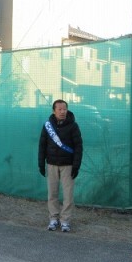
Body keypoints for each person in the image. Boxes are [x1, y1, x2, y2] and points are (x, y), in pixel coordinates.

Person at [38, 99, 83, 233]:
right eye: (60, 109)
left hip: (68, 165)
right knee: (52, 193)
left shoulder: (73, 126)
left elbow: (78, 146)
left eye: (65, 109)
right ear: (54, 111)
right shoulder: (48, 126)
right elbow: (42, 145)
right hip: (51, 164)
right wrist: (41, 163)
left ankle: (65, 220)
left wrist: (76, 165)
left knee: (68, 195)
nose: (63, 112)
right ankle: (53, 218)